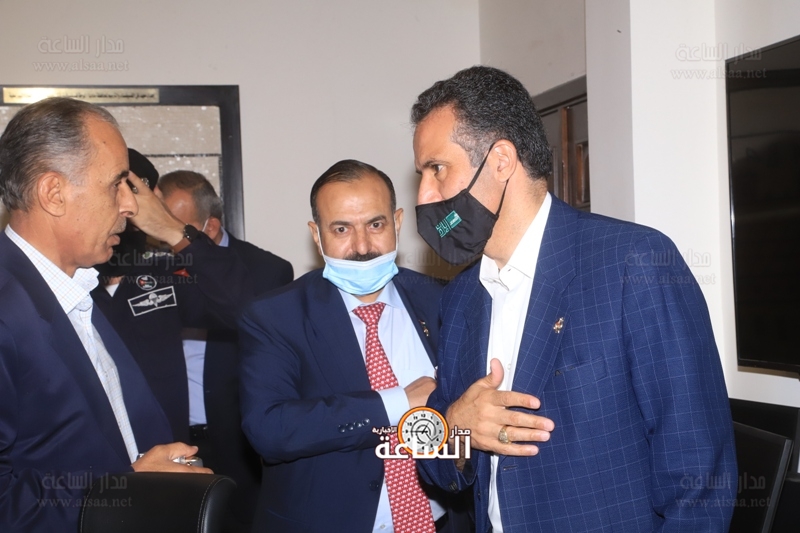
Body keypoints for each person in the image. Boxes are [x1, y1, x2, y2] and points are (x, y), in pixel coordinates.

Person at [410, 66, 737, 532]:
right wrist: (456, 427)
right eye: (421, 175)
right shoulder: (461, 298)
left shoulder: (633, 263)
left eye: (437, 169)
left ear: (500, 161)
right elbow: (438, 469)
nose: (425, 195)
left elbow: (699, 480)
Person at [0, 97, 210, 532]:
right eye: (116, 184)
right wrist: (125, 488)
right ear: (54, 193)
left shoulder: (74, 289)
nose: (130, 205)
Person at [239, 160, 470, 533]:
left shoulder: (443, 301)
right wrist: (398, 403)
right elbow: (269, 429)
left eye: (375, 225)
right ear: (317, 235)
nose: (362, 247)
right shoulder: (275, 317)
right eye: (342, 229)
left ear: (397, 222)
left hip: (442, 522)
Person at [157, 169, 293, 532]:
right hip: (170, 440)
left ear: (211, 226)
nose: (165, 238)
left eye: (175, 228)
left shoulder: (266, 271)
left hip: (239, 444)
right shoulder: (152, 268)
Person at [91, 153, 255, 444]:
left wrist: (172, 229)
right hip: (92, 460)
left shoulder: (165, 273)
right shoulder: (62, 280)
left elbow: (245, 310)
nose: (125, 210)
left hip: (165, 457)